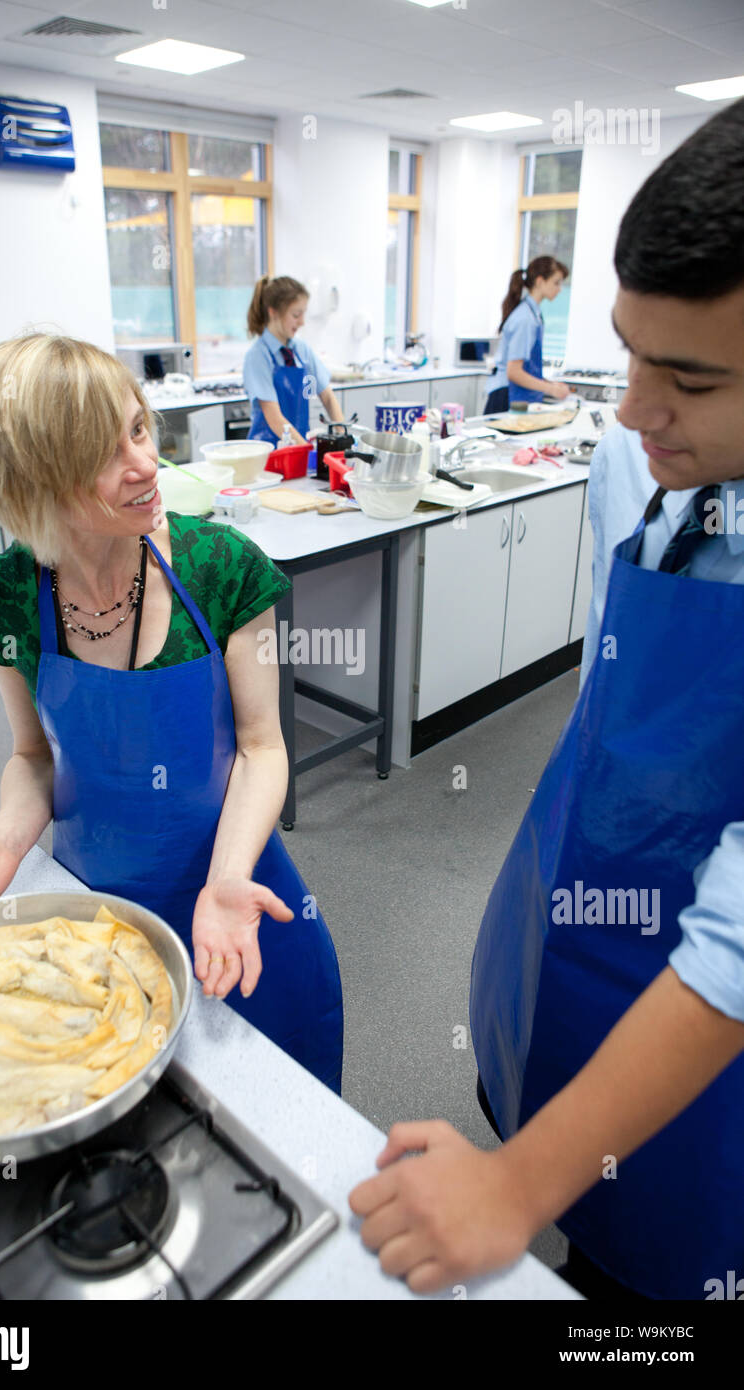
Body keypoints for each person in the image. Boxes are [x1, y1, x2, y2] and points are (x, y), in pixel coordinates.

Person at [349, 97, 744, 1298]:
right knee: (579, 1226)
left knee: (661, 1268)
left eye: (683, 377)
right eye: (623, 348)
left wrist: (515, 1184)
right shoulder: (640, 461)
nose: (626, 409)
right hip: (569, 918)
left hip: (702, 1015)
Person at [0, 334, 344, 1094]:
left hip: (238, 901)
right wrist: (5, 843)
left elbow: (263, 749)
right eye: (104, 452)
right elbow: (34, 756)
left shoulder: (220, 568)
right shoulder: (4, 601)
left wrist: (227, 878)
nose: (144, 464)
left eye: (139, 428)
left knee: (281, 1114)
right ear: (31, 483)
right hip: (98, 920)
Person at [243, 274, 344, 445]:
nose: (302, 322)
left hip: (297, 448)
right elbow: (274, 416)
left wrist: (342, 435)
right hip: (268, 453)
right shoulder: (258, 356)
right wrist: (305, 450)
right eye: (296, 315)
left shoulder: (301, 350)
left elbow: (327, 396)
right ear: (273, 312)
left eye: (303, 314)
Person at [483, 257, 571, 413]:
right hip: (505, 397)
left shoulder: (533, 314)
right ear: (540, 281)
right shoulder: (525, 319)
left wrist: (551, 384)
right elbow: (514, 372)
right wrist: (551, 389)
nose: (559, 289)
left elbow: (526, 368)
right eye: (556, 283)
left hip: (514, 395)